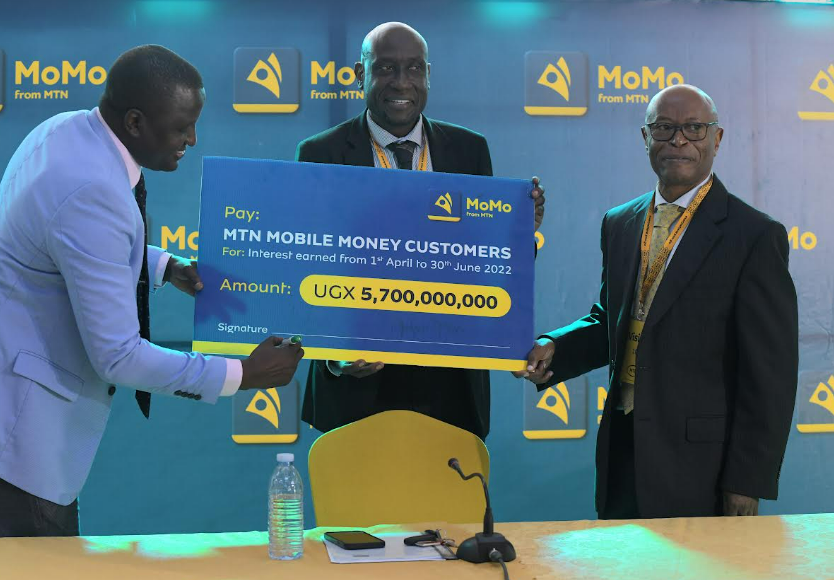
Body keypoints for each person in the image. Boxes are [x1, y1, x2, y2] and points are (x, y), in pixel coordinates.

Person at [0, 45, 303, 538]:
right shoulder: (94, 189)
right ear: (135, 122)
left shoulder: (67, 129)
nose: (192, 139)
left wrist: (164, 266)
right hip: (4, 433)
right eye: (182, 127)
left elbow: (60, 239)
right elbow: (118, 357)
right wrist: (242, 373)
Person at [520, 84, 798, 518]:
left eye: (694, 128)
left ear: (717, 138)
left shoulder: (755, 236)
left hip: (704, 467)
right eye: (664, 128)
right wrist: (555, 346)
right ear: (645, 137)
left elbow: (770, 375)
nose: (679, 140)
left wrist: (747, 480)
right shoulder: (620, 223)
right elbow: (612, 319)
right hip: (623, 449)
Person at [296, 22, 546, 440]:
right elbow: (304, 267)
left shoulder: (469, 150)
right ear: (359, 75)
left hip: (450, 388)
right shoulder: (320, 154)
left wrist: (518, 237)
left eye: (414, 68)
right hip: (357, 389)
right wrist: (334, 358)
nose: (402, 82)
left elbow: (486, 263)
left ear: (428, 74)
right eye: (385, 68)